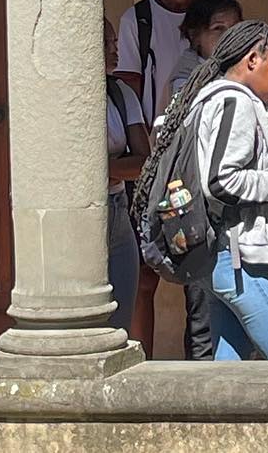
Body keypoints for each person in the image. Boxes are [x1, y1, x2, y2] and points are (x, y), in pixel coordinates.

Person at [147, 20, 268, 360]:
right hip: (242, 258)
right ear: (253, 59)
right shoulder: (235, 102)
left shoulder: (208, 98)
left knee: (228, 372)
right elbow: (221, 181)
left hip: (220, 255)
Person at [113, 0, 204, 357]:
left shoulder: (211, 14)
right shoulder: (140, 19)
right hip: (154, 162)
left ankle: (201, 364)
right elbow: (129, 87)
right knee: (144, 273)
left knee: (201, 270)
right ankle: (138, 363)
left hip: (202, 156)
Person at [103, 18, 150, 331]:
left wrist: (107, 168)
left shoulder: (121, 93)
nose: (114, 49)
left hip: (119, 209)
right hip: (81, 217)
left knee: (121, 317)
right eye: (106, 42)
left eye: (115, 42)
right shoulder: (63, 97)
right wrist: (118, 165)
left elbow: (146, 160)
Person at [168, 0, 244, 97]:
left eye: (235, 28)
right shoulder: (186, 82)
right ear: (194, 35)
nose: (229, 35)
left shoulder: (245, 66)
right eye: (218, 28)